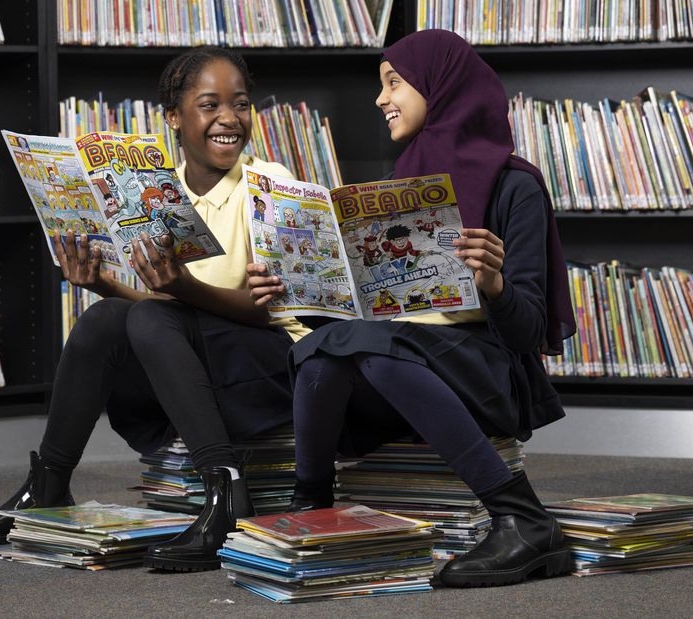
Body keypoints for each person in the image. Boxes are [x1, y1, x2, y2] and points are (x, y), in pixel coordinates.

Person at [0, 47, 309, 573]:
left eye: (241, 104)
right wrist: (103, 285)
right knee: (107, 319)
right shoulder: (161, 195)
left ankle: (227, 493)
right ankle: (48, 485)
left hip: (270, 361)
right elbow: (164, 316)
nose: (229, 119)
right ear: (173, 118)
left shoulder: (269, 184)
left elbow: (263, 313)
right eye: (209, 105)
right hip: (201, 356)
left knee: (147, 316)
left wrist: (181, 287)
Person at [247, 30, 577, 588]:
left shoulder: (515, 186)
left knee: (378, 351)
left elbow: (528, 334)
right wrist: (303, 288)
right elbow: (367, 315)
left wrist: (494, 284)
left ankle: (522, 518)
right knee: (321, 352)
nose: (380, 98)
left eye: (394, 82)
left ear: (440, 86)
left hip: (483, 372)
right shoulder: (401, 184)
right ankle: (313, 510)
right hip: (400, 364)